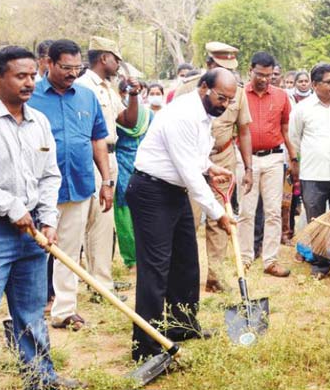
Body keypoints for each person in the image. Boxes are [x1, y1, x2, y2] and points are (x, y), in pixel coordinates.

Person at [0, 46, 84, 390]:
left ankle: (40, 378)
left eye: (32, 76)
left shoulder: (38, 121)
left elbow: (49, 176)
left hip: (30, 234)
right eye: (20, 76)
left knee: (31, 311)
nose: (29, 83)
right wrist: (12, 208)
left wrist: (48, 218)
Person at [127, 68, 235, 361]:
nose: (224, 104)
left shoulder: (203, 114)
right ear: (203, 88)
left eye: (229, 100)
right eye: (221, 97)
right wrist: (218, 214)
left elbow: (193, 159)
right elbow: (188, 172)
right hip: (151, 193)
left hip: (175, 193)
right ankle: (146, 346)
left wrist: (209, 167)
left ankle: (182, 325)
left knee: (187, 262)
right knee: (155, 271)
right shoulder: (183, 114)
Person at [28, 39, 111, 332]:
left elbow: (98, 139)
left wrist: (107, 181)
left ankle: (64, 311)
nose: (72, 73)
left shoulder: (87, 97)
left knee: (69, 250)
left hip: (78, 184)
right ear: (47, 63)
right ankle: (29, 312)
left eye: (77, 68)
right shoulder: (30, 95)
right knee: (33, 252)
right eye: (65, 67)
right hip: (37, 191)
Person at [175, 41, 253, 293]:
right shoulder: (188, 89)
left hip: (223, 157)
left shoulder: (238, 92)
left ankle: (216, 277)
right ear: (209, 66)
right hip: (191, 160)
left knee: (220, 218)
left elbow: (243, 130)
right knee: (190, 218)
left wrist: (248, 167)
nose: (227, 76)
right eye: (221, 68)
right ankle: (186, 277)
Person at [75, 36, 140, 299]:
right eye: (116, 59)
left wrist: (133, 95)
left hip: (109, 158)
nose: (118, 65)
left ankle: (102, 284)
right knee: (84, 221)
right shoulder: (82, 86)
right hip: (89, 159)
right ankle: (80, 284)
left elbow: (128, 120)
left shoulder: (106, 88)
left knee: (103, 222)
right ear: (104, 58)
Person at [289, 63, 330, 278]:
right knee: (317, 221)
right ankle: (321, 264)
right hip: (313, 175)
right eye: (329, 82)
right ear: (315, 84)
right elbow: (294, 139)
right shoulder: (302, 109)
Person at [237, 52, 297, 277]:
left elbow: (285, 129)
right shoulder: (239, 95)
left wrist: (293, 157)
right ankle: (244, 258)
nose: (264, 79)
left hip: (274, 158)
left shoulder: (281, 96)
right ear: (250, 69)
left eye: (269, 75)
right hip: (245, 159)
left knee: (273, 211)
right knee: (246, 210)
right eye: (259, 74)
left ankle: (270, 260)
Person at [113, 79, 154, 272]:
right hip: (139, 164)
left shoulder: (116, 115)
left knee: (125, 212)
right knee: (132, 211)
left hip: (125, 162)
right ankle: (138, 256)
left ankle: (132, 260)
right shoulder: (148, 115)